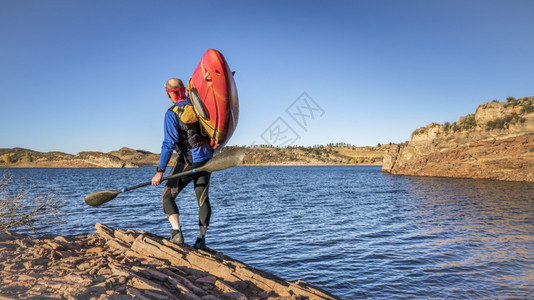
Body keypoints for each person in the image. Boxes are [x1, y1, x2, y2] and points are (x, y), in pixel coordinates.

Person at [151, 78, 213, 250]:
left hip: (188, 160)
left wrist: (160, 171)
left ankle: (177, 233)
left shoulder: (172, 113)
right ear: (184, 90)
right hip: (207, 160)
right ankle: (201, 239)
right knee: (202, 199)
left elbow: (168, 144)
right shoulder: (199, 106)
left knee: (167, 197)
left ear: (170, 93)